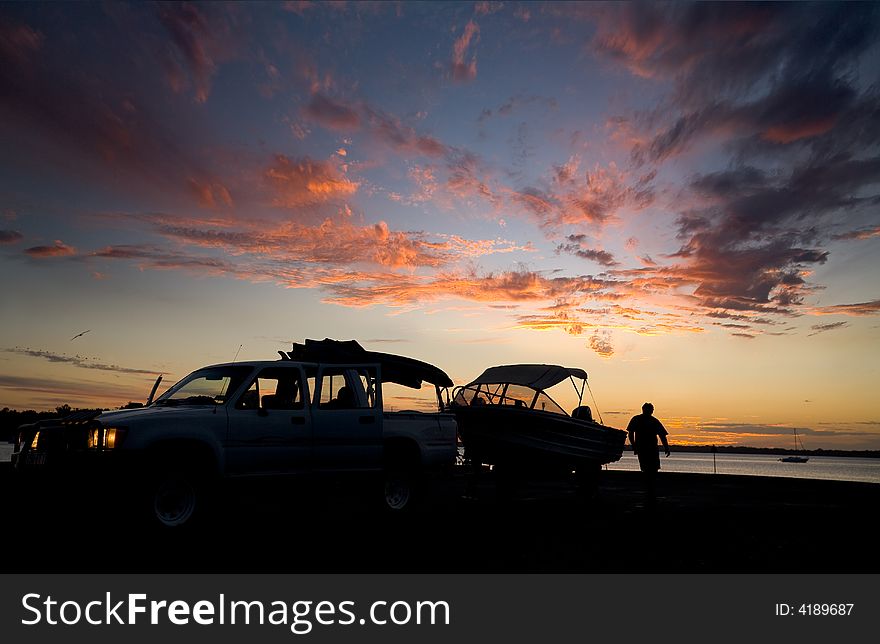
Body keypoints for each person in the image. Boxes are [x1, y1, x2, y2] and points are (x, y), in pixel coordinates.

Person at [626, 402, 670, 503]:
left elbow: (662, 435)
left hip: (650, 448)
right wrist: (634, 445)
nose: (651, 411)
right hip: (644, 448)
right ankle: (649, 489)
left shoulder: (651, 420)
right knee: (648, 469)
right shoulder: (638, 419)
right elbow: (630, 433)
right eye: (650, 409)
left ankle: (650, 489)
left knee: (651, 469)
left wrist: (666, 447)